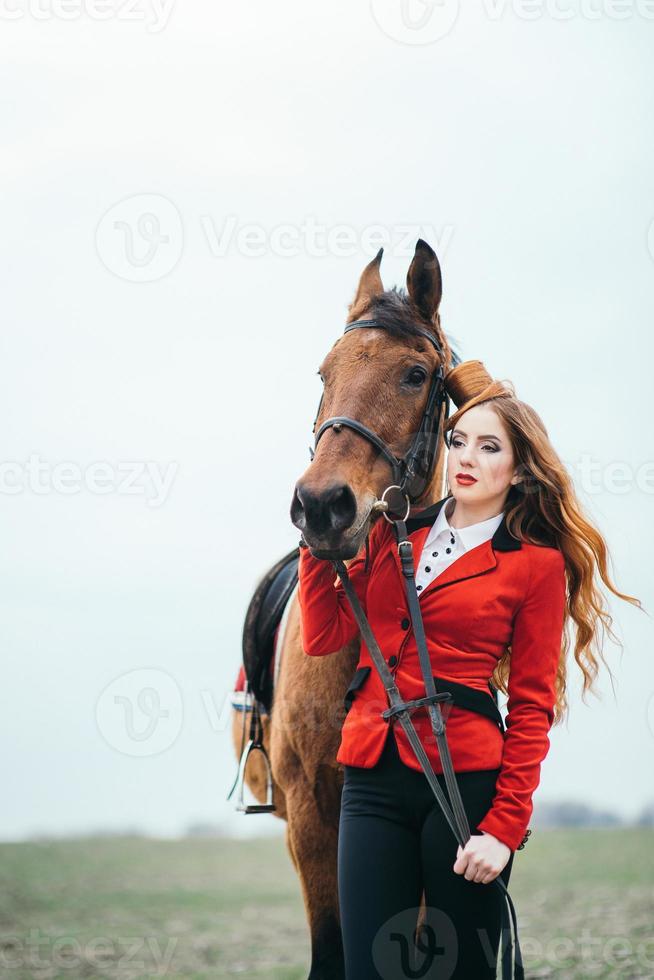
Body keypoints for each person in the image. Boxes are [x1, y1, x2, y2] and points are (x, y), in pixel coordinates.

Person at [296, 359, 643, 980]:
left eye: (490, 447)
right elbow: (324, 635)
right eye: (459, 441)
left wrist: (504, 830)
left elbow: (533, 705)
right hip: (371, 779)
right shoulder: (392, 531)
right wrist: (318, 533)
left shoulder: (535, 565)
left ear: (519, 467)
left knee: (464, 971)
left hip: (466, 789)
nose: (467, 457)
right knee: (367, 970)